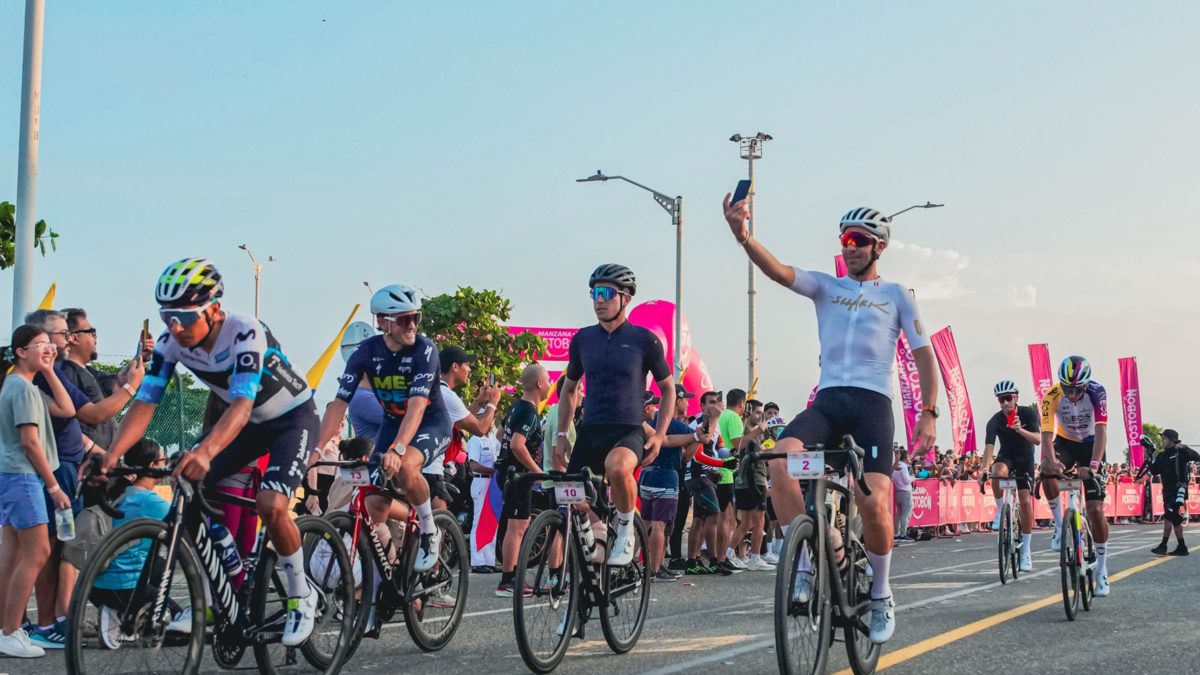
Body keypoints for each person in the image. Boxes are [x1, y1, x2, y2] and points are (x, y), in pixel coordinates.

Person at [724, 198, 939, 644]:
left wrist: (929, 413)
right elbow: (778, 271)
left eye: (859, 241)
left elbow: (924, 357)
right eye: (845, 240)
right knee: (779, 461)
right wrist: (742, 234)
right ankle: (806, 560)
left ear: (879, 246)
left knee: (873, 501)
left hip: (872, 406)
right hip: (828, 401)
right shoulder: (825, 286)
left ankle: (881, 591)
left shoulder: (897, 294)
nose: (851, 247)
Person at [100, 258, 320, 646]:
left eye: (185, 316)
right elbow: (146, 402)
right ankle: (218, 596)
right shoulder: (170, 344)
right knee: (187, 495)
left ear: (215, 309)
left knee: (270, 505)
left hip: (290, 419)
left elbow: (241, 405)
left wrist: (206, 451)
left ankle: (302, 596)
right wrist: (111, 453)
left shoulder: (244, 331)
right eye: (167, 316)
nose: (175, 326)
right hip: (247, 426)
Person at [319, 283, 452, 578]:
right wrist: (316, 449)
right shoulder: (366, 352)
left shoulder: (425, 350)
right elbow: (339, 405)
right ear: (382, 322)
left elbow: (417, 407)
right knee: (373, 504)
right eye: (405, 319)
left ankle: (430, 531)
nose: (413, 325)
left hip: (430, 422)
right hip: (394, 424)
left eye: (416, 317)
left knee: (404, 466)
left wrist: (398, 448)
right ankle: (388, 576)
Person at [554, 264, 675, 567]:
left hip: (628, 429)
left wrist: (659, 435)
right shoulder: (583, 339)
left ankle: (625, 531)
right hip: (591, 430)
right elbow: (568, 390)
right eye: (595, 293)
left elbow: (669, 390)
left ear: (626, 298)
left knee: (617, 467)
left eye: (606, 293)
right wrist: (561, 433)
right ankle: (594, 547)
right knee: (568, 498)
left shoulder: (645, 340)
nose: (599, 300)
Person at [23, 309, 121, 650]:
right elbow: (85, 413)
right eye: (60, 333)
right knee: (43, 551)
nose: (66, 339)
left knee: (47, 547)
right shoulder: (42, 378)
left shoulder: (51, 374)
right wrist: (136, 386)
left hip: (65, 466)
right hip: (53, 469)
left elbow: (72, 422)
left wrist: (94, 449)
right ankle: (43, 624)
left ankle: (35, 622)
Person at [0, 326, 76, 659]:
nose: (49, 349)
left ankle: (6, 628)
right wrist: (54, 486)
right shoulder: (24, 391)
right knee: (38, 553)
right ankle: (11, 630)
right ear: (20, 351)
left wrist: (47, 369)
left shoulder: (19, 386)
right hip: (24, 478)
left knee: (13, 555)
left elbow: (68, 408)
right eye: (40, 345)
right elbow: (31, 443)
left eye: (50, 344)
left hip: (11, 478)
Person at [88, 439, 174, 650]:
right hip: (124, 588)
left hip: (96, 588)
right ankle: (120, 613)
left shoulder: (121, 494)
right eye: (163, 459)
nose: (167, 463)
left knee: (159, 561)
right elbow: (187, 532)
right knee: (182, 624)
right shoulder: (149, 501)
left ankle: (121, 615)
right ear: (153, 466)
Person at [1039, 355, 1112, 597]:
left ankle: (1101, 570)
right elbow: (1047, 436)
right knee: (1046, 469)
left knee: (1095, 511)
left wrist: (1093, 465)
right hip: (1067, 443)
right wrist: (1053, 461)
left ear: (1086, 385)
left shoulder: (1097, 393)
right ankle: (1060, 526)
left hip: (1091, 445)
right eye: (1067, 388)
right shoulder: (1051, 395)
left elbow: (1101, 432)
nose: (1071, 394)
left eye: (1076, 389)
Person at [641, 388, 710, 581]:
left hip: (646, 477)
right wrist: (711, 420)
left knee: (645, 525)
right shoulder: (673, 424)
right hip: (666, 477)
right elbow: (697, 444)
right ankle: (655, 569)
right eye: (685, 399)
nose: (688, 403)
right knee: (659, 526)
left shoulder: (647, 423)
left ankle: (638, 565)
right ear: (677, 401)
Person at [494, 365, 551, 597]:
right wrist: (536, 470)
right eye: (547, 379)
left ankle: (511, 576)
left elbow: (500, 435)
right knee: (517, 528)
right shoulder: (529, 411)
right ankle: (508, 580)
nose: (549, 383)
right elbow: (517, 444)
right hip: (519, 475)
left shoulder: (516, 406)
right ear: (539, 384)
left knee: (516, 526)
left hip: (508, 473)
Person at [979, 380, 1040, 571]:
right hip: (1006, 456)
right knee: (996, 473)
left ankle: (1027, 552)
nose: (1005, 403)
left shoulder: (1028, 414)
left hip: (1025, 458)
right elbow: (989, 447)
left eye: (1008, 398)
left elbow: (1038, 440)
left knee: (1025, 502)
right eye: (1001, 399)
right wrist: (984, 469)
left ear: (1016, 398)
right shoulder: (994, 421)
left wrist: (1019, 429)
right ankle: (999, 511)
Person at [437, 346, 502, 510]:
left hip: (431, 465)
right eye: (467, 364)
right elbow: (479, 428)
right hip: (431, 467)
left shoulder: (439, 390)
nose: (469, 369)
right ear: (455, 366)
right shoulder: (447, 395)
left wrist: (481, 400)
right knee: (436, 526)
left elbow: (460, 422)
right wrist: (493, 403)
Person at [685, 391, 730, 576]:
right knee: (714, 516)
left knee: (699, 520)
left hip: (709, 475)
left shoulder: (716, 425)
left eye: (717, 402)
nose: (715, 405)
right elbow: (698, 454)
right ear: (702, 406)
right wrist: (722, 464)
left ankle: (692, 562)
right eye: (711, 402)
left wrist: (734, 452)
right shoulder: (698, 424)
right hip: (698, 474)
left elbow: (719, 449)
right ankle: (714, 561)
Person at [717, 389, 761, 570]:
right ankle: (723, 557)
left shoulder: (723, 415)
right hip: (726, 469)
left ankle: (723, 556)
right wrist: (759, 431)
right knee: (727, 518)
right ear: (742, 403)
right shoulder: (733, 417)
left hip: (719, 466)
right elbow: (738, 443)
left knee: (725, 517)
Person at [729, 399, 774, 571]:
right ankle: (755, 559)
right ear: (748, 412)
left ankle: (727, 555)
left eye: (761, 414)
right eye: (757, 413)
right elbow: (752, 452)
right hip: (753, 481)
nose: (760, 417)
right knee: (759, 521)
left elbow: (760, 451)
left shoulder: (753, 434)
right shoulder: (749, 433)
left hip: (747, 482)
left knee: (747, 522)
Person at [1138, 431, 1199, 556]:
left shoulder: (1180, 452)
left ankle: (1163, 545)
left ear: (1171, 439)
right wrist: (1149, 456)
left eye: (1164, 438)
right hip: (1167, 490)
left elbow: (1197, 457)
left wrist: (1185, 447)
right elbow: (1155, 471)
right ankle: (1182, 547)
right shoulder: (1162, 455)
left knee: (1168, 517)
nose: (1162, 441)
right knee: (1175, 519)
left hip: (1178, 489)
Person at [467, 426, 500, 572]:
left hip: (492, 483)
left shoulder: (493, 438)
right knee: (479, 521)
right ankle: (477, 561)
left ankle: (489, 561)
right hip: (481, 481)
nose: (491, 423)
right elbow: (474, 466)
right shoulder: (475, 439)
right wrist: (494, 471)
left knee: (491, 522)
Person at [302, 411, 345, 515]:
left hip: (336, 488)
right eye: (337, 418)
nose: (340, 422)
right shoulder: (322, 441)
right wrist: (313, 493)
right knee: (317, 524)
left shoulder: (343, 443)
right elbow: (313, 467)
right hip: (320, 487)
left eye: (342, 418)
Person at [892, 449, 915, 542]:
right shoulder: (904, 466)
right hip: (905, 492)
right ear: (906, 458)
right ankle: (903, 534)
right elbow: (906, 480)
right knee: (905, 514)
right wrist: (913, 477)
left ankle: (896, 534)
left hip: (897, 491)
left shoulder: (895, 466)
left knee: (899, 514)